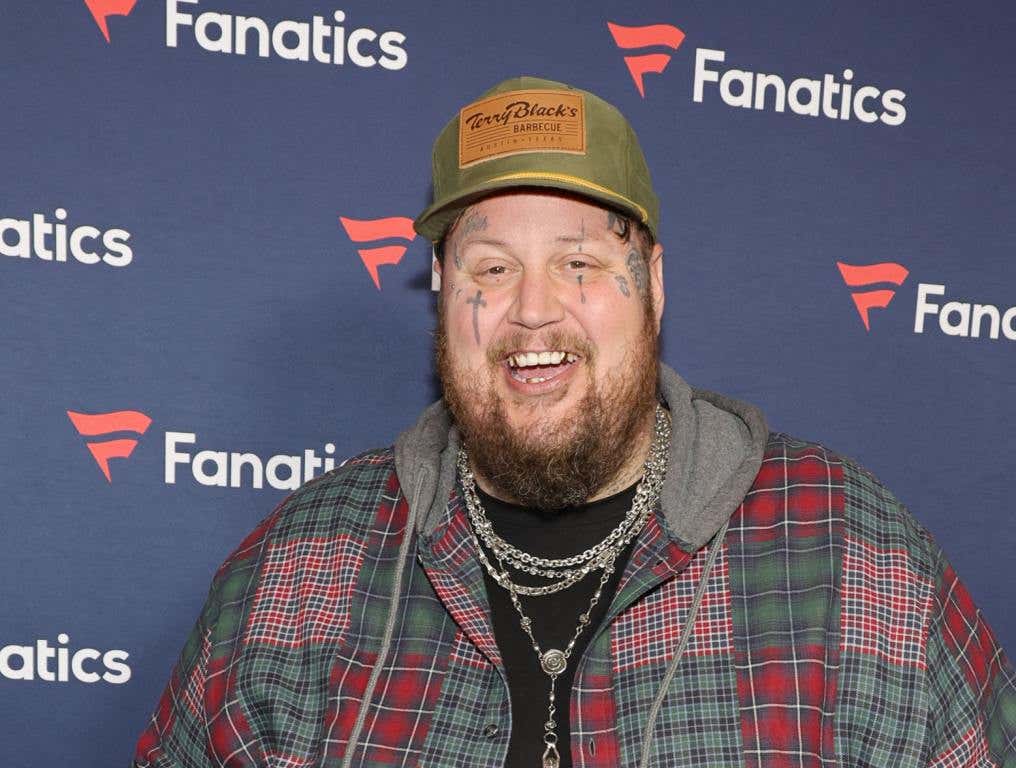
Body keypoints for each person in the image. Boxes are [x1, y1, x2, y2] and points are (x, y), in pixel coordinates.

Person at [133, 76, 1016, 768]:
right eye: (490, 269)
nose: (533, 312)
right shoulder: (300, 567)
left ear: (654, 286)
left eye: (581, 263)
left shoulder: (854, 557)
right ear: (442, 295)